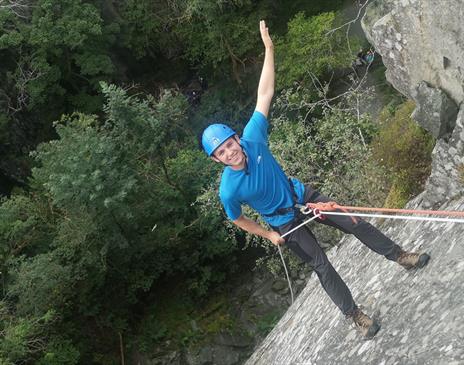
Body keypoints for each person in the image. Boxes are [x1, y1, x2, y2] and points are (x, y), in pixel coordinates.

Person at [201, 20, 430, 339]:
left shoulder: (254, 139)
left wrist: (269, 49)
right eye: (222, 153)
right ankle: (355, 315)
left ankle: (400, 256)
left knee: (355, 222)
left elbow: (264, 92)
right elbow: (238, 219)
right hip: (284, 224)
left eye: (229, 145)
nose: (229, 153)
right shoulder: (228, 190)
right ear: (216, 160)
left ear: (237, 140)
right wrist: (268, 235)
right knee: (322, 264)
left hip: (302, 196)